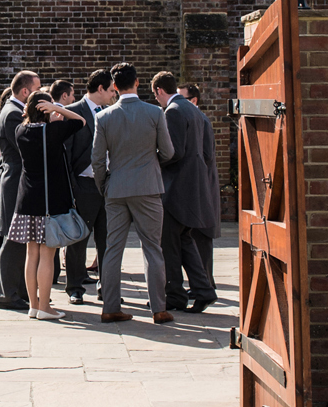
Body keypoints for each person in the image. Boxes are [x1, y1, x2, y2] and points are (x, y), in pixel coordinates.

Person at [90, 62, 177, 324]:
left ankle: (110, 306)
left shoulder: (103, 117)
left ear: (114, 87)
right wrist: (151, 165)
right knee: (152, 247)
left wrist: (104, 185)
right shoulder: (154, 113)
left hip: (116, 188)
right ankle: (159, 308)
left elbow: (96, 159)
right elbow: (169, 152)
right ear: (137, 82)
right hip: (148, 187)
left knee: (113, 249)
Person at [10, 91, 85, 320]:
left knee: (31, 253)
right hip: (49, 201)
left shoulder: (20, 130)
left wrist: (50, 110)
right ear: (45, 109)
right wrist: (58, 109)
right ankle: (45, 307)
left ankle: (34, 305)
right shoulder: (53, 132)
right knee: (47, 254)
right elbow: (80, 121)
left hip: (27, 199)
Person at [155, 71, 221, 313]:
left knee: (169, 244)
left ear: (159, 91)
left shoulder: (172, 111)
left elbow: (174, 152)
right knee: (185, 242)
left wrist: (154, 161)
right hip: (192, 187)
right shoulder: (194, 110)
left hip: (175, 190)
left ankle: (175, 296)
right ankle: (204, 290)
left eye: (156, 97)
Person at [62, 70, 118, 305]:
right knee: (78, 240)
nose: (115, 94)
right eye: (112, 90)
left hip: (109, 185)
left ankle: (107, 289)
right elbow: (66, 152)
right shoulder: (74, 112)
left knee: (108, 240)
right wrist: (71, 188)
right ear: (101, 89)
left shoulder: (112, 113)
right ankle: (75, 287)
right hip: (83, 184)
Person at [0, 70, 40, 311]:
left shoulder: (13, 110)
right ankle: (7, 294)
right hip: (17, 178)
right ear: (26, 91)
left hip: (14, 176)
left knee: (19, 236)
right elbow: (22, 149)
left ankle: (18, 291)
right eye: (37, 89)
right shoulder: (13, 114)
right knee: (13, 236)